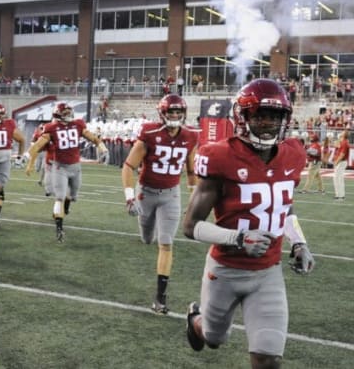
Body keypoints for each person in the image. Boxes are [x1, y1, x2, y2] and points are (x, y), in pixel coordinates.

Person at [182, 79, 314, 369]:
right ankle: (196, 321)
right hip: (226, 271)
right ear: (243, 117)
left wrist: (299, 242)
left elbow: (283, 207)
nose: (268, 123)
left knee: (268, 359)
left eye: (275, 116)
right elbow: (191, 226)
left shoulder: (293, 153)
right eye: (260, 115)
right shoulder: (220, 155)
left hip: (268, 272)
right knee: (214, 338)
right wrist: (239, 238)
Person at [121, 94, 198, 315]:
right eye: (171, 112)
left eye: (178, 112)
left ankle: (160, 298)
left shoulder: (191, 136)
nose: (175, 115)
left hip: (171, 195)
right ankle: (146, 226)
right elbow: (128, 167)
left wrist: (193, 200)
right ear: (162, 113)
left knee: (166, 242)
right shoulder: (150, 134)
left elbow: (191, 171)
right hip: (146, 192)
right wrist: (129, 197)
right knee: (147, 238)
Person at [25, 101, 108, 242]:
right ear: (58, 115)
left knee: (73, 195)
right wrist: (27, 156)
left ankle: (65, 208)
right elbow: (38, 144)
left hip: (75, 167)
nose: (69, 115)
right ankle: (59, 228)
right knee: (59, 197)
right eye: (66, 113)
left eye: (69, 112)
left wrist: (103, 148)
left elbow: (93, 137)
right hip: (59, 167)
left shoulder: (78, 124)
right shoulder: (51, 128)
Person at [332, 130, 349, 200]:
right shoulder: (342, 142)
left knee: (339, 179)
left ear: (344, 135)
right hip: (340, 162)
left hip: (341, 162)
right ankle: (338, 194)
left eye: (342, 132)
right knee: (337, 178)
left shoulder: (344, 143)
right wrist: (339, 139)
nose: (341, 132)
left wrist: (336, 162)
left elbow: (342, 155)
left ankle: (341, 195)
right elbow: (335, 144)